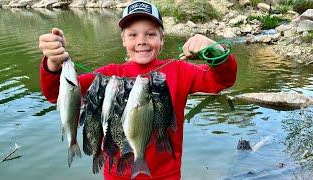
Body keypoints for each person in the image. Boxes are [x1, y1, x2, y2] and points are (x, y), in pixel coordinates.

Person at [39, 0, 237, 179]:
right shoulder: (109, 74)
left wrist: (214, 50)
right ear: (123, 40)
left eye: (150, 34)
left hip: (166, 175)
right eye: (133, 35)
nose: (142, 41)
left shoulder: (179, 70)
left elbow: (221, 80)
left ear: (162, 39)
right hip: (117, 175)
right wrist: (53, 64)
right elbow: (56, 94)